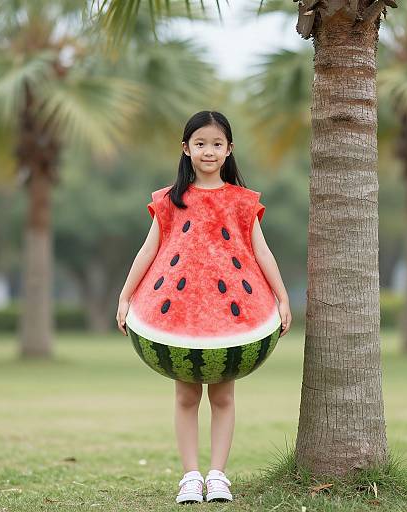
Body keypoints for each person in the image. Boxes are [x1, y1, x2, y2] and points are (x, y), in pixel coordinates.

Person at [116, 110, 292, 504]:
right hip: (177, 314)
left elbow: (261, 252)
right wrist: (126, 296)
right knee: (185, 396)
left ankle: (218, 475)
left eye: (216, 144)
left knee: (224, 397)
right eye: (200, 144)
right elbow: (150, 250)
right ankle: (190, 475)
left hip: (233, 318)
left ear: (229, 150)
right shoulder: (169, 200)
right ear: (186, 149)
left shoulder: (243, 202)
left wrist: (281, 297)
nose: (208, 151)